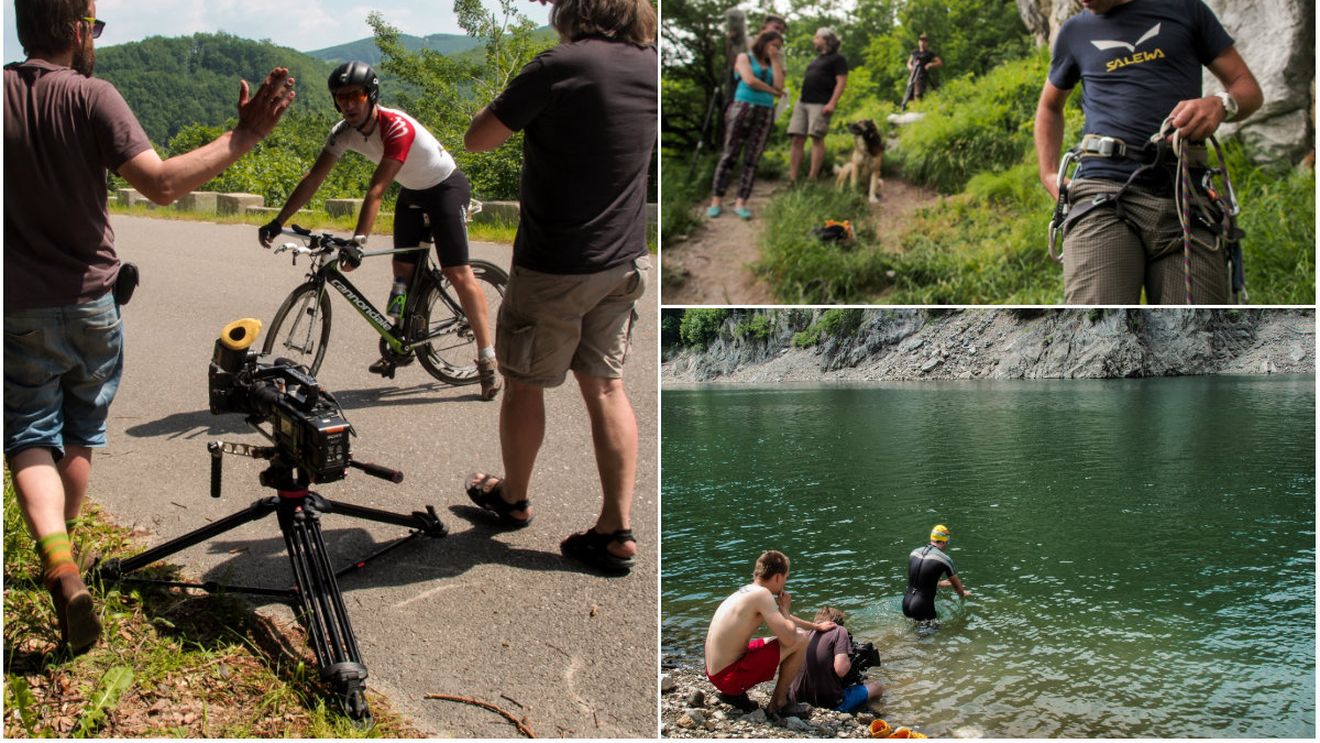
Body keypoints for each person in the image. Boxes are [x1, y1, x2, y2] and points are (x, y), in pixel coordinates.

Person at [4, 0, 295, 654]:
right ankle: (66, 549)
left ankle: (60, 561)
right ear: (76, 28)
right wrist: (243, 137)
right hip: (93, 305)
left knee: (27, 433)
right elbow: (162, 184)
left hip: (17, 306)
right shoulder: (94, 97)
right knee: (77, 434)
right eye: (96, 26)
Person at [461, 0, 655, 575]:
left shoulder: (558, 66)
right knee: (606, 387)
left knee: (524, 384)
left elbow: (477, 139)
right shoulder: (651, 66)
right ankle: (615, 530)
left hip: (556, 265)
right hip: (623, 261)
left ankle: (512, 497)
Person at [257, 62, 500, 397]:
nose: (348, 104)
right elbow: (313, 178)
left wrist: (358, 242)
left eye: (354, 95)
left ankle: (487, 358)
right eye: (340, 98)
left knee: (456, 271)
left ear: (370, 95)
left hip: (445, 187)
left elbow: (376, 190)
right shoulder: (343, 132)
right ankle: (399, 336)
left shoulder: (395, 127)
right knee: (401, 272)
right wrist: (279, 220)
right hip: (413, 192)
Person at [1033, 0, 1263, 304]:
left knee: (1197, 337)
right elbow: (1050, 106)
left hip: (1185, 196)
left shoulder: (1184, 9)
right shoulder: (1075, 31)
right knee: (1098, 327)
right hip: (1103, 192)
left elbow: (1247, 89)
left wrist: (1220, 104)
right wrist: (1048, 173)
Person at [705, 551, 836, 714]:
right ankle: (779, 702)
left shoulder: (748, 591)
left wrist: (815, 627)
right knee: (801, 639)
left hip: (715, 673)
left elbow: (779, 617)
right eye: (786, 578)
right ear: (777, 577)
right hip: (728, 677)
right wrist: (786, 609)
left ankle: (735, 695)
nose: (785, 583)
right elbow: (789, 639)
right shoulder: (762, 595)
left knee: (781, 637)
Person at [707, 30, 785, 220]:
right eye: (773, 44)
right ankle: (716, 200)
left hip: (765, 111)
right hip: (742, 107)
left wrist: (775, 61)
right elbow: (749, 80)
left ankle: (741, 202)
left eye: (778, 47)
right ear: (763, 42)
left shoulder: (774, 63)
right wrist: (772, 91)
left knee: (752, 158)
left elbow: (780, 86)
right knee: (730, 154)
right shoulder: (744, 57)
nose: (775, 48)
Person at [789, 607, 884, 713]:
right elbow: (841, 670)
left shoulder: (806, 633)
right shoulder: (839, 630)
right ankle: (872, 712)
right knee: (877, 687)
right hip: (830, 705)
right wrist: (848, 659)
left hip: (797, 700)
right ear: (838, 623)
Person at [788, 27, 848, 184]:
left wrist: (832, 103)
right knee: (796, 138)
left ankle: (812, 179)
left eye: (816, 37)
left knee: (816, 138)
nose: (814, 40)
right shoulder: (816, 60)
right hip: (802, 102)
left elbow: (841, 82)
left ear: (826, 40)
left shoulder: (837, 59)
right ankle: (792, 179)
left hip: (821, 104)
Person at [902, 524, 970, 623]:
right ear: (945, 540)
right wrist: (963, 594)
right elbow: (957, 588)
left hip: (906, 603)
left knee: (911, 633)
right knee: (929, 636)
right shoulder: (945, 559)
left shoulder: (914, 553)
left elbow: (917, 580)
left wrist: (939, 583)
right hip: (922, 606)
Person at [906, 34, 943, 101]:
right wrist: (910, 67)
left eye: (924, 41)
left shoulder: (929, 53)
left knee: (918, 94)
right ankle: (912, 109)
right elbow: (909, 63)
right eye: (921, 41)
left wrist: (930, 64)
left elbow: (939, 63)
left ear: (927, 43)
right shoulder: (914, 52)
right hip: (913, 76)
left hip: (922, 77)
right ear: (918, 42)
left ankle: (919, 107)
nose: (922, 43)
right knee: (909, 95)